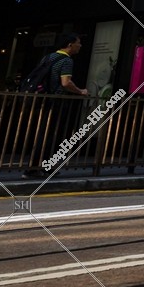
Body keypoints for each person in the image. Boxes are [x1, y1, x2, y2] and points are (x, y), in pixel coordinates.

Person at [23, 33, 88, 178]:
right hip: (57, 101)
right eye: (78, 42)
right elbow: (66, 83)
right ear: (70, 45)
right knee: (52, 134)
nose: (80, 45)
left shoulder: (48, 57)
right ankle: (44, 167)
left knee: (42, 133)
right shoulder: (67, 60)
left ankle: (34, 166)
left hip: (43, 99)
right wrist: (81, 91)